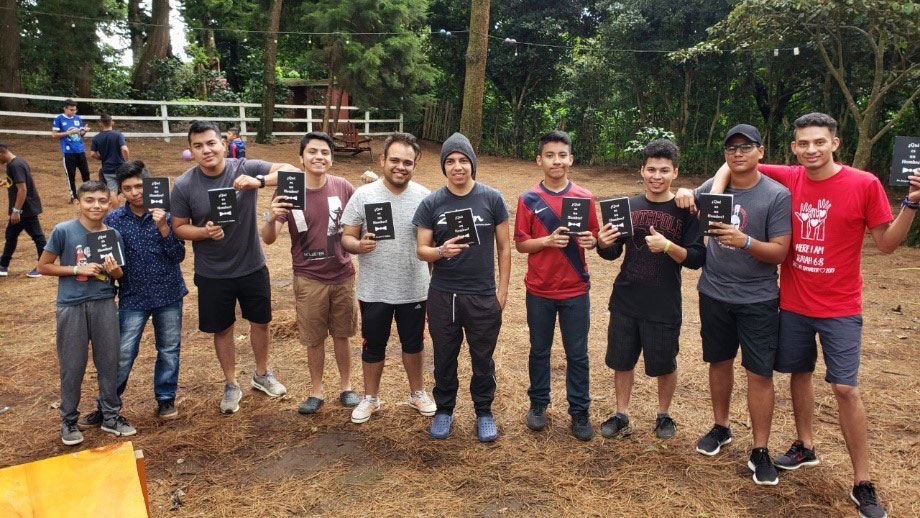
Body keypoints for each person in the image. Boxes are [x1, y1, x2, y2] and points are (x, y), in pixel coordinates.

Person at [680, 113, 919, 518]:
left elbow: (887, 245)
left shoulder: (864, 184)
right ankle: (805, 446)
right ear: (793, 148)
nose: (811, 150)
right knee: (798, 374)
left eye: (819, 143)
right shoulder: (790, 175)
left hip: (840, 306)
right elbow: (732, 160)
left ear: (835, 143)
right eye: (804, 143)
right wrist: (713, 193)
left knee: (845, 389)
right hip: (792, 303)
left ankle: (862, 481)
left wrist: (911, 204)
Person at [678, 125, 792, 486]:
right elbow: (684, 197)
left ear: (761, 151)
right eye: (731, 148)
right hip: (713, 293)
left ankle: (760, 449)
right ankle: (721, 426)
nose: (738, 153)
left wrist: (744, 242)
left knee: (759, 373)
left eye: (746, 147)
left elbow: (779, 252)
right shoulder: (713, 187)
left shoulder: (776, 195)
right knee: (719, 362)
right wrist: (683, 192)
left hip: (758, 298)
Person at [171, 120, 294, 414]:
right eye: (198, 146)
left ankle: (262, 374)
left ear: (224, 144)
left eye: (211, 143)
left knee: (260, 322)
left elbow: (292, 170)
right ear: (190, 150)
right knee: (223, 328)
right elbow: (178, 227)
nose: (206, 150)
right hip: (213, 272)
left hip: (252, 264)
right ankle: (230, 383)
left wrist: (259, 182)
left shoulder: (244, 169)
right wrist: (203, 232)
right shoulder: (185, 185)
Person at [596, 139, 705, 442]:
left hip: (663, 302)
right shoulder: (626, 206)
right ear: (642, 171)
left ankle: (663, 415)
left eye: (665, 170)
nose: (657, 176)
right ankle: (621, 415)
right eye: (652, 169)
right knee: (621, 360)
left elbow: (698, 258)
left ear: (675, 173)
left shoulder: (686, 211)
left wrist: (669, 246)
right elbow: (612, 251)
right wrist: (603, 243)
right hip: (626, 299)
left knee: (664, 362)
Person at [412, 132, 511, 442]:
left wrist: (502, 291)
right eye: (451, 161)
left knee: (483, 358)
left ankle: (484, 411)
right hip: (443, 294)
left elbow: (505, 248)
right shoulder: (432, 202)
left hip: (482, 295)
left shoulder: (492, 198)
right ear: (444, 166)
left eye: (463, 160)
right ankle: (445, 410)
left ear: (472, 164)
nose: (457, 167)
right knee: (444, 356)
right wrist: (442, 251)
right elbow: (421, 250)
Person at [75, 161, 186, 427]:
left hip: (167, 292)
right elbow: (107, 258)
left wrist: (163, 228)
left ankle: (165, 398)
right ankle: (108, 405)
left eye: (139, 185)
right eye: (128, 188)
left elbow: (178, 255)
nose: (136, 192)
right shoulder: (113, 220)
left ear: (149, 185)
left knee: (169, 349)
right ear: (121, 192)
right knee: (123, 352)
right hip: (132, 295)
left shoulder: (168, 215)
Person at [339, 132, 437, 423]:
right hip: (375, 289)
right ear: (382, 160)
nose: (400, 166)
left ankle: (417, 393)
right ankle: (371, 398)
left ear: (415, 165)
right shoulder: (364, 195)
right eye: (394, 160)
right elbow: (346, 237)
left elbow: (431, 245)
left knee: (414, 343)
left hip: (414, 288)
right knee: (373, 345)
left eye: (407, 162)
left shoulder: (425, 198)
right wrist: (358, 246)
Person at [261, 131, 359, 415]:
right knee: (314, 338)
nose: (319, 157)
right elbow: (269, 237)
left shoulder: (343, 187)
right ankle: (316, 390)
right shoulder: (289, 190)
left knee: (343, 334)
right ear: (301, 158)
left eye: (325, 152)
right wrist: (271, 213)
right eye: (313, 152)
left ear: (331, 158)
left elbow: (360, 223)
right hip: (308, 277)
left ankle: (346, 387)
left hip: (342, 274)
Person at [514, 130, 599, 441]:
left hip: (576, 289)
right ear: (540, 160)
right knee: (540, 350)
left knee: (577, 354)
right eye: (549, 155)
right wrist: (547, 241)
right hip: (539, 289)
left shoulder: (585, 198)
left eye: (562, 155)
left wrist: (591, 241)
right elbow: (521, 244)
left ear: (571, 159)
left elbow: (594, 237)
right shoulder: (528, 199)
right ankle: (538, 403)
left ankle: (579, 410)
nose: (556, 161)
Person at [36, 181, 136, 444]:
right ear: (77, 203)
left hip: (103, 303)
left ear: (110, 203)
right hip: (71, 305)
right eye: (90, 200)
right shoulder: (64, 231)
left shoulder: (112, 234)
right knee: (73, 365)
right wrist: (76, 269)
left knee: (109, 362)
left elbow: (119, 275)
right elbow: (44, 266)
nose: (96, 206)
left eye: (102, 201)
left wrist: (113, 270)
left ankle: (111, 416)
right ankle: (68, 421)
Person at [0, 142, 45, 278]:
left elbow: (23, 189)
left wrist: (16, 211)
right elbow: (19, 183)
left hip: (25, 209)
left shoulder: (15, 165)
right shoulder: (17, 162)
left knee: (38, 236)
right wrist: (7, 182)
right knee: (10, 236)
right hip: (22, 208)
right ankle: (3, 265)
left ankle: (42, 266)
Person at [51, 99, 90, 201]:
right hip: (68, 152)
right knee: (71, 175)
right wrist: (69, 133)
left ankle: (88, 193)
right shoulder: (59, 118)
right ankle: (74, 196)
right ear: (65, 108)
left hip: (80, 150)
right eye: (71, 109)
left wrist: (84, 131)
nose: (73, 112)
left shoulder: (77, 118)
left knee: (86, 174)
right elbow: (54, 134)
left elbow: (80, 134)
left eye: (75, 110)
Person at [90, 113, 130, 208]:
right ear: (112, 122)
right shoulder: (118, 135)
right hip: (121, 167)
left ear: (101, 124)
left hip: (107, 169)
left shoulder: (97, 138)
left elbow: (92, 154)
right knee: (128, 188)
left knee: (113, 191)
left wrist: (101, 158)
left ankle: (116, 212)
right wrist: (127, 162)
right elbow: (124, 149)